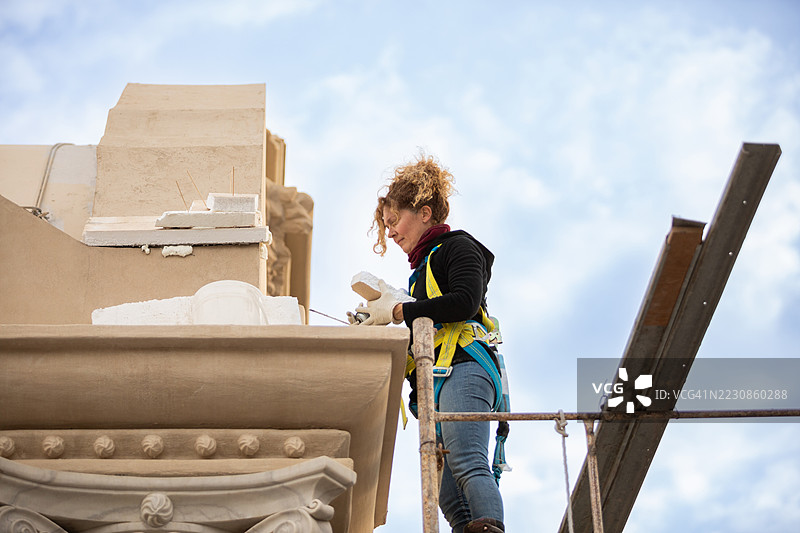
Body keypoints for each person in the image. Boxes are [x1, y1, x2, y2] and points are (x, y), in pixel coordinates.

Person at [357, 154, 506, 533]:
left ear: (424, 213)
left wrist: (396, 314)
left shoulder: (458, 248)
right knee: (449, 494)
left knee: (468, 460)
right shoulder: (420, 272)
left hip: (465, 368)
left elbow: (464, 302)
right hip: (438, 380)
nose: (390, 232)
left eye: (394, 221)